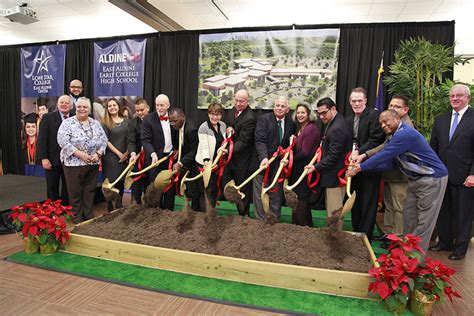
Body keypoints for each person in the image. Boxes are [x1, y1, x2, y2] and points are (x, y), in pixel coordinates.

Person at [348, 109, 448, 253]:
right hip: (415, 179)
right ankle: (405, 252)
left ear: (396, 119)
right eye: (381, 123)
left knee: (424, 222)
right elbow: (389, 163)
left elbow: (384, 155)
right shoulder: (393, 137)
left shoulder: (404, 134)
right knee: (409, 217)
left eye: (386, 121)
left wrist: (360, 167)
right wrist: (364, 169)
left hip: (432, 178)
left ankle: (416, 259)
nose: (383, 125)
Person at [356, 95, 413, 236]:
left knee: (398, 209)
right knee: (389, 207)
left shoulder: (405, 128)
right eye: (391, 106)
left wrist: (363, 164)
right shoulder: (393, 126)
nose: (393, 109)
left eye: (397, 107)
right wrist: (365, 155)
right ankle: (388, 234)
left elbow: (386, 152)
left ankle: (398, 239)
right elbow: (384, 145)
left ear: (405, 110)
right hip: (390, 175)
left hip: (400, 176)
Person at [429, 84, 474, 260]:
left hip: (465, 177)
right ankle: (445, 242)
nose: (455, 98)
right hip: (442, 175)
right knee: (444, 211)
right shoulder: (441, 119)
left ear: (468, 98)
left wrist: (473, 174)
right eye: (452, 95)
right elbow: (433, 148)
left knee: (463, 214)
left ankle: (460, 248)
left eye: (459, 95)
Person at [57, 97, 107, 223]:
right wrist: (80, 154)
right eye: (79, 106)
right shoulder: (67, 123)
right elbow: (62, 140)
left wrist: (99, 153)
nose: (82, 109)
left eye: (85, 107)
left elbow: (104, 140)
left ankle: (88, 217)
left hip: (93, 163)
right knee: (75, 192)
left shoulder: (95, 123)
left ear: (89, 109)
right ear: (75, 108)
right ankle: (76, 218)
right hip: (73, 164)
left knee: (89, 191)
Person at [346, 87, 385, 241]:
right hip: (354, 167)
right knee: (356, 200)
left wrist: (359, 151)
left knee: (369, 202)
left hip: (370, 166)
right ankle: (356, 231)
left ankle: (365, 235)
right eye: (354, 101)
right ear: (350, 102)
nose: (357, 104)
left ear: (365, 101)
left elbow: (376, 140)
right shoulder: (349, 120)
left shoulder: (374, 116)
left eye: (359, 101)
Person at [305, 97, 352, 223]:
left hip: (335, 178)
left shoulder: (337, 127)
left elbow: (333, 156)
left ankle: (335, 239)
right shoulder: (335, 122)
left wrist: (315, 167)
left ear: (333, 108)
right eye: (318, 113)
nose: (321, 116)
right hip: (333, 176)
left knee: (334, 214)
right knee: (332, 213)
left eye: (324, 113)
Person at [253, 96, 296, 221]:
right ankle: (260, 220)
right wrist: (264, 157)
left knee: (276, 193)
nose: (279, 108)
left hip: (279, 165)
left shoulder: (291, 124)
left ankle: (273, 220)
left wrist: (286, 157)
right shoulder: (263, 120)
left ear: (287, 109)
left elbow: (289, 145)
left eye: (283, 106)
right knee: (259, 192)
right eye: (277, 105)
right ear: (273, 107)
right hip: (263, 162)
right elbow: (260, 140)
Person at [223, 89, 257, 216]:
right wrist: (229, 128)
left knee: (242, 190)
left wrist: (227, 151)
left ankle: (244, 216)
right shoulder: (232, 111)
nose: (238, 103)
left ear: (247, 101)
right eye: (236, 100)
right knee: (231, 189)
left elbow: (243, 142)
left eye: (241, 101)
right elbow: (230, 125)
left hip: (242, 162)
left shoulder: (250, 118)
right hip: (231, 160)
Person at [288, 103, 320, 226]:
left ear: (309, 114)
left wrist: (291, 160)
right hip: (299, 169)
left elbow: (305, 152)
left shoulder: (310, 128)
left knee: (301, 200)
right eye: (298, 112)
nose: (300, 115)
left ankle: (300, 229)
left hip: (304, 169)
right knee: (300, 200)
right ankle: (304, 227)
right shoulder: (302, 128)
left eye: (303, 112)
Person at [141, 94, 175, 210]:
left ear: (168, 105)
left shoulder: (174, 117)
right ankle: (155, 212)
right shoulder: (148, 120)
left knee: (170, 186)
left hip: (170, 157)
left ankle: (169, 212)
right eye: (157, 105)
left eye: (162, 105)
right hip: (155, 159)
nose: (159, 108)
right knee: (156, 186)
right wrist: (152, 153)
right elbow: (145, 141)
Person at [37, 95, 72, 205]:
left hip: (70, 159)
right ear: (57, 104)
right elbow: (42, 139)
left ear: (71, 105)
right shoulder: (48, 118)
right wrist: (44, 158)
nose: (64, 105)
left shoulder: (75, 118)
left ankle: (66, 209)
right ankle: (53, 211)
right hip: (52, 159)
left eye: (67, 103)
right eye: (62, 102)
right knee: (52, 187)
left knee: (68, 186)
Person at [196, 103, 227, 207]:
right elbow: (204, 147)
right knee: (204, 189)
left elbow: (224, 142)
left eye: (218, 114)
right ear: (208, 114)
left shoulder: (222, 125)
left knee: (213, 189)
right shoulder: (203, 128)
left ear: (221, 115)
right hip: (205, 164)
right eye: (212, 114)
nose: (215, 117)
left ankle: (211, 213)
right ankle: (203, 215)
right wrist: (206, 163)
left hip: (216, 164)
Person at [169, 108, 200, 211]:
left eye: (175, 120)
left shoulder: (191, 128)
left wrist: (180, 162)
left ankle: (195, 212)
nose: (173, 124)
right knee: (187, 187)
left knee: (195, 188)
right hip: (186, 160)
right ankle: (188, 208)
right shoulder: (177, 126)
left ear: (182, 117)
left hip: (194, 162)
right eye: (171, 121)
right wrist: (177, 150)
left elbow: (194, 150)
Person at [101, 98, 129, 211]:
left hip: (124, 157)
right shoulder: (104, 123)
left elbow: (130, 139)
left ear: (119, 107)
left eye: (114, 105)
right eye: (110, 106)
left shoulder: (126, 121)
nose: (112, 107)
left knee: (121, 181)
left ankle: (119, 205)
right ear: (107, 109)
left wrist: (126, 153)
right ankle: (110, 206)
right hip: (111, 158)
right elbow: (106, 141)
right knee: (111, 182)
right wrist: (119, 154)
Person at [127, 98, 150, 204]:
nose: (140, 113)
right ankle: (136, 207)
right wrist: (132, 153)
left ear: (148, 108)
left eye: (142, 110)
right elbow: (131, 141)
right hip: (136, 159)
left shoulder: (155, 120)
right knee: (136, 186)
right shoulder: (132, 123)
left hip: (151, 158)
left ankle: (149, 209)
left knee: (149, 186)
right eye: (137, 111)